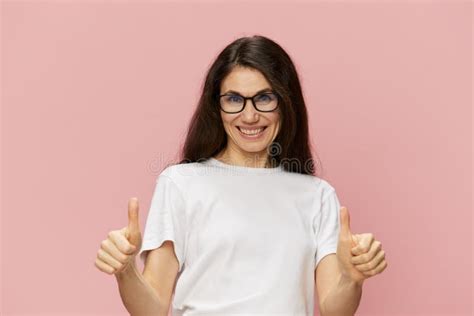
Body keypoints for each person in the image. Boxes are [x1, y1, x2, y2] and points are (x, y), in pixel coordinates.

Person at [94, 35, 388, 316]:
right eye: (234, 99)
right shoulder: (180, 184)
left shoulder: (317, 196)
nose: (249, 116)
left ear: (286, 104)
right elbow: (152, 309)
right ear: (216, 106)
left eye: (264, 97)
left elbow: (335, 310)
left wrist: (353, 279)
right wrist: (126, 271)